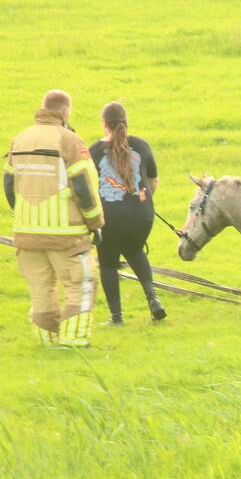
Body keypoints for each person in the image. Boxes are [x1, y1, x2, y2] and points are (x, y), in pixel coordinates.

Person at [4, 90, 104, 347]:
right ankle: (74, 341)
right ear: (66, 112)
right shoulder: (69, 141)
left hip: (26, 233)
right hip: (66, 234)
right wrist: (95, 224)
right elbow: (83, 187)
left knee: (41, 290)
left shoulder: (20, 139)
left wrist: (23, 216)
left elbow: (8, 185)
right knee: (80, 285)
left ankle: (47, 342)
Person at [88, 101, 165, 325]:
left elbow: (89, 185)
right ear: (126, 122)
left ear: (104, 124)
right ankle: (153, 299)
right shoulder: (141, 146)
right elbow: (153, 182)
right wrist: (138, 202)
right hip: (142, 216)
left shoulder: (94, 151)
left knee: (108, 262)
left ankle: (117, 318)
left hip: (109, 218)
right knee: (135, 250)